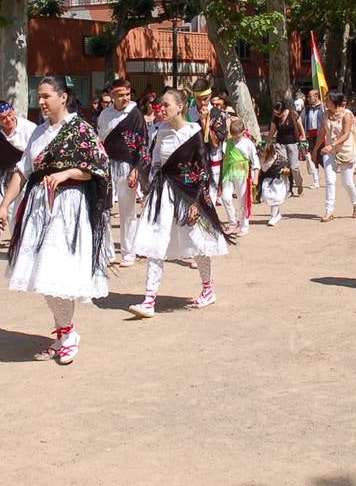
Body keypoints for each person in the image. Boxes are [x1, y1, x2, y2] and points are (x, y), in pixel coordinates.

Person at [0, 76, 111, 364]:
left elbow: (98, 168)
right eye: (39, 96)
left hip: (68, 208)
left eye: (46, 96)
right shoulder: (39, 132)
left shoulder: (80, 129)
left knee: (55, 273)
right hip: (39, 208)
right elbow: (22, 171)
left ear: (63, 97)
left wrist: (68, 173)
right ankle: (63, 334)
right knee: (43, 276)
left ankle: (68, 335)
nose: (41, 102)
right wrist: (3, 207)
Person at [127, 87, 230, 318]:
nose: (161, 108)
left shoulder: (194, 133)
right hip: (162, 195)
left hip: (188, 195)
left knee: (198, 244)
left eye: (166, 105)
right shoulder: (160, 132)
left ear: (180, 107)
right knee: (155, 242)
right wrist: (140, 173)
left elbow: (203, 170)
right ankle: (149, 299)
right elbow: (153, 163)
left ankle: (208, 289)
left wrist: (196, 202)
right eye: (160, 105)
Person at [98, 78, 150, 266]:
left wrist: (137, 168)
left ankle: (129, 252)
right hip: (107, 166)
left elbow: (143, 144)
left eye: (127, 94)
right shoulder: (104, 115)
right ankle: (107, 251)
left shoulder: (136, 114)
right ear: (112, 96)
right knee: (104, 210)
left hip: (128, 167)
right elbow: (99, 141)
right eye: (120, 95)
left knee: (128, 211)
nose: (125, 98)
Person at [0, 102, 37, 243]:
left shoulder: (30, 128)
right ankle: (17, 239)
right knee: (9, 209)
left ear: (13, 112)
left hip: (29, 175)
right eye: (3, 118)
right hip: (7, 177)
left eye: (10, 115)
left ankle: (29, 239)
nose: (8, 120)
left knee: (30, 208)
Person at [318, 90, 356, 222]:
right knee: (330, 181)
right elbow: (323, 132)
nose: (325, 102)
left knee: (347, 182)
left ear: (335, 102)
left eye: (328, 100)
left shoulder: (346, 114)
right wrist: (315, 149)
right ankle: (329, 211)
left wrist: (332, 145)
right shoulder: (325, 114)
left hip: (345, 150)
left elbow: (346, 134)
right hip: (330, 152)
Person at [220, 118, 259, 236]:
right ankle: (232, 222)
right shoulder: (228, 143)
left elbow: (255, 160)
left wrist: (255, 176)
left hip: (242, 172)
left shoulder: (248, 143)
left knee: (242, 201)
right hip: (228, 173)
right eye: (234, 136)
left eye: (237, 136)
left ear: (243, 132)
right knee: (225, 198)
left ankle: (244, 225)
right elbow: (226, 158)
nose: (235, 138)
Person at [268, 100, 307, 195]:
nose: (277, 115)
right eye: (275, 113)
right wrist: (268, 142)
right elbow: (272, 131)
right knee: (284, 167)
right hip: (280, 144)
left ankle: (299, 183)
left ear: (284, 110)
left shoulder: (293, 114)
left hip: (293, 143)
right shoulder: (276, 118)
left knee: (294, 167)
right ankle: (288, 188)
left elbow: (300, 126)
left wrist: (303, 137)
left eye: (279, 113)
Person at [257, 135, 290, 227]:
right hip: (267, 179)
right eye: (261, 152)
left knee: (275, 197)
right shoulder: (259, 157)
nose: (262, 154)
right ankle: (277, 214)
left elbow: (286, 165)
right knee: (267, 196)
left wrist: (286, 171)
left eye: (264, 153)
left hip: (277, 180)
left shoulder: (279, 160)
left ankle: (273, 217)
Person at [301, 89, 324, 189]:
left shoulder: (323, 108)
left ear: (316, 97)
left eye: (310, 97)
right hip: (310, 136)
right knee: (312, 158)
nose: (308, 98)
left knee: (322, 157)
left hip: (321, 136)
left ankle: (330, 176)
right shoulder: (306, 109)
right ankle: (316, 180)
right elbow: (301, 121)